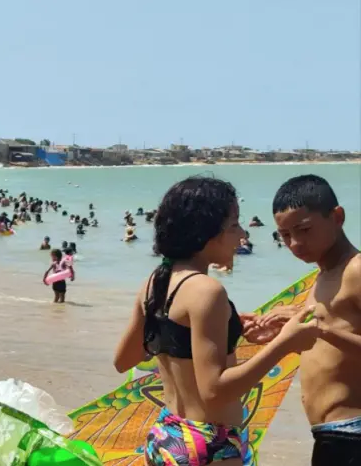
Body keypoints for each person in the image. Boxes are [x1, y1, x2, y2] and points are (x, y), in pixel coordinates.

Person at [112, 177, 318, 466]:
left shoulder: (154, 282)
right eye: (234, 225)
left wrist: (228, 329)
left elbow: (125, 359)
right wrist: (285, 343)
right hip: (209, 443)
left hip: (167, 435)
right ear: (206, 234)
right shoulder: (207, 291)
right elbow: (215, 391)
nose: (242, 234)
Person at [256, 175, 361, 465]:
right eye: (285, 235)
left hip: (353, 434)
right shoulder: (322, 277)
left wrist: (323, 329)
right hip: (330, 436)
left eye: (304, 230)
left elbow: (329, 332)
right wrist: (280, 333)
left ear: (337, 216)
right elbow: (333, 352)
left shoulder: (356, 270)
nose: (295, 243)